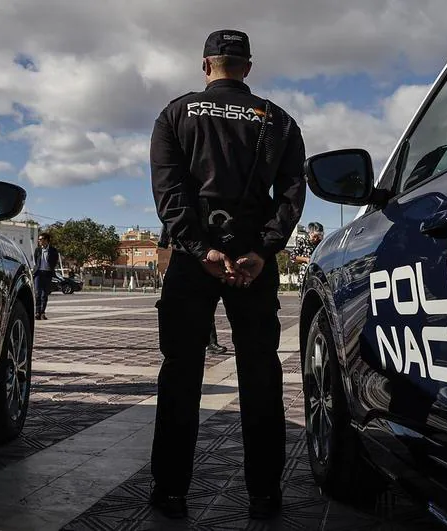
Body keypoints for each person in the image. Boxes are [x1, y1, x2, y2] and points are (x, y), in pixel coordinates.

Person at [149, 29, 306, 521]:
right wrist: (263, 250)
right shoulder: (277, 119)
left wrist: (198, 250)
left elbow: (169, 192)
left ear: (205, 65)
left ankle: (172, 491)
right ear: (248, 67)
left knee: (181, 370)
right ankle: (265, 493)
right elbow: (292, 193)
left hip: (194, 261)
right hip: (253, 263)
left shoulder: (176, 113)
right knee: (260, 372)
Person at [33, 232, 59, 320]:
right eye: (39, 239)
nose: (39, 241)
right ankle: (37, 312)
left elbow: (55, 261)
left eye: (41, 239)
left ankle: (42, 313)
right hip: (38, 274)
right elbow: (36, 260)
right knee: (37, 294)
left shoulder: (53, 250)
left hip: (47, 274)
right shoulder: (37, 250)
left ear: (46, 240)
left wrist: (51, 268)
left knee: (44, 294)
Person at [291, 221, 324, 286]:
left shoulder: (320, 243)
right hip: (305, 274)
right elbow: (293, 256)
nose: (316, 239)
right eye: (314, 236)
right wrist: (306, 259)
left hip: (318, 274)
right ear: (309, 233)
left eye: (318, 236)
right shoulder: (302, 241)